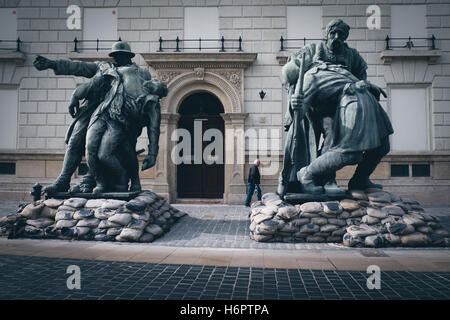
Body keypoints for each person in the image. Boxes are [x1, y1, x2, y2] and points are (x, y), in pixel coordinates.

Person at [277, 19, 393, 197]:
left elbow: (360, 77)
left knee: (382, 145)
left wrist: (366, 85)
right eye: (333, 33)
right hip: (319, 108)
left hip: (344, 104)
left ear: (345, 37)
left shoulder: (352, 56)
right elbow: (288, 76)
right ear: (326, 34)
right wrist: (295, 102)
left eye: (341, 34)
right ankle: (324, 179)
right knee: (331, 134)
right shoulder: (313, 58)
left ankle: (360, 179)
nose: (336, 37)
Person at [33, 41, 161, 194]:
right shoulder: (104, 67)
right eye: (115, 55)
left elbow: (147, 104)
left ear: (129, 56)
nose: (117, 58)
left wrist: (152, 152)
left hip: (122, 116)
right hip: (96, 109)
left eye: (121, 55)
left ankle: (101, 180)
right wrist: (52, 64)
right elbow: (78, 67)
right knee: (76, 140)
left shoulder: (141, 73)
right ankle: (63, 180)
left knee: (111, 151)